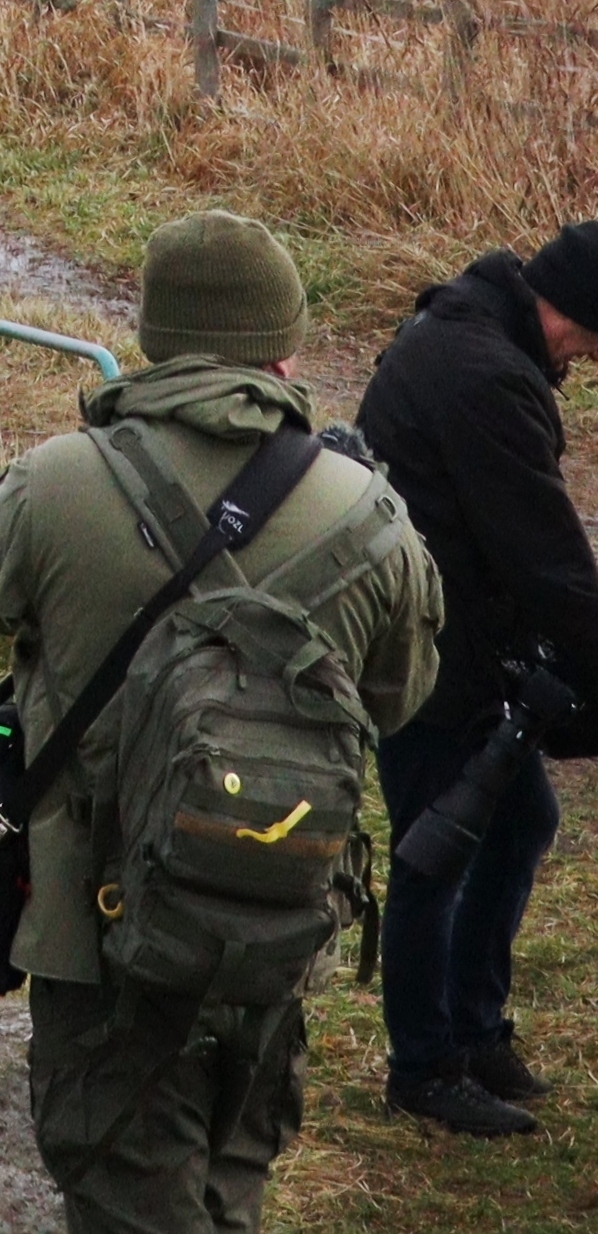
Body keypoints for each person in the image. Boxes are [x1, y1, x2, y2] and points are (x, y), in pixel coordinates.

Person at [2, 209, 443, 1233]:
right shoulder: (368, 511)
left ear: (153, 333)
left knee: (126, 1189)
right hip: (273, 911)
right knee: (228, 1182)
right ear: (282, 344)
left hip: (95, 927)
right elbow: (400, 699)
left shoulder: (52, 483)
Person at [356, 221, 598, 1137]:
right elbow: (546, 557)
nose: (596, 352)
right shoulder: (487, 376)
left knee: (519, 819)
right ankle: (426, 1066)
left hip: (445, 634)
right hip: (426, 650)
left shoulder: (468, 330)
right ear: (559, 306)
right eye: (595, 332)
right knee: (433, 853)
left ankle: (473, 1029)